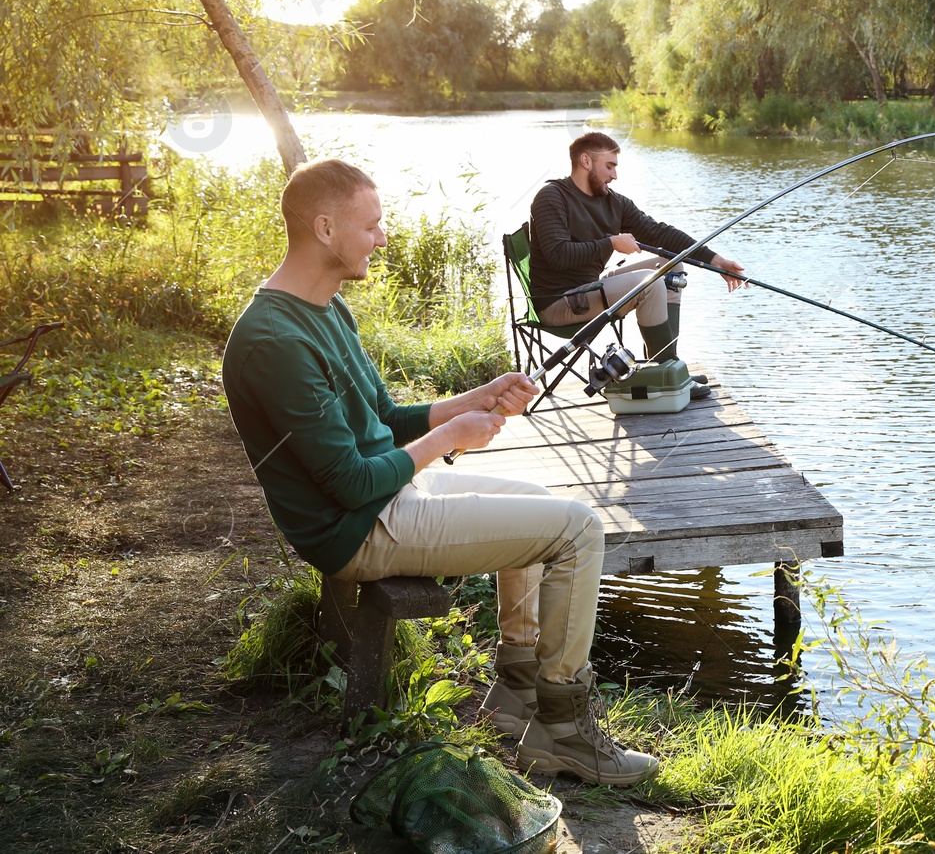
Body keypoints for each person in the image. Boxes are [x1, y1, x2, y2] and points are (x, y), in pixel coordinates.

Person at [221, 157, 655, 786]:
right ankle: (564, 728)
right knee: (579, 530)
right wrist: (450, 437)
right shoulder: (274, 340)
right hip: (357, 528)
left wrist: (474, 399)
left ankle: (514, 694)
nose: (384, 237)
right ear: (323, 229)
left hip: (387, 496)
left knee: (539, 503)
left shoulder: (327, 309)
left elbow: (387, 420)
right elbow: (346, 484)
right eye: (372, 225)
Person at [528, 132, 745, 397]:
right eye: (609, 166)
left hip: (589, 288)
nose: (614, 175)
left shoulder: (612, 202)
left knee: (671, 265)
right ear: (586, 161)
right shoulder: (551, 197)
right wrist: (611, 244)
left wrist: (714, 260)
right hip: (560, 302)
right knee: (649, 283)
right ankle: (666, 374)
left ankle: (668, 366)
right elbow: (558, 255)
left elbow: (660, 233)